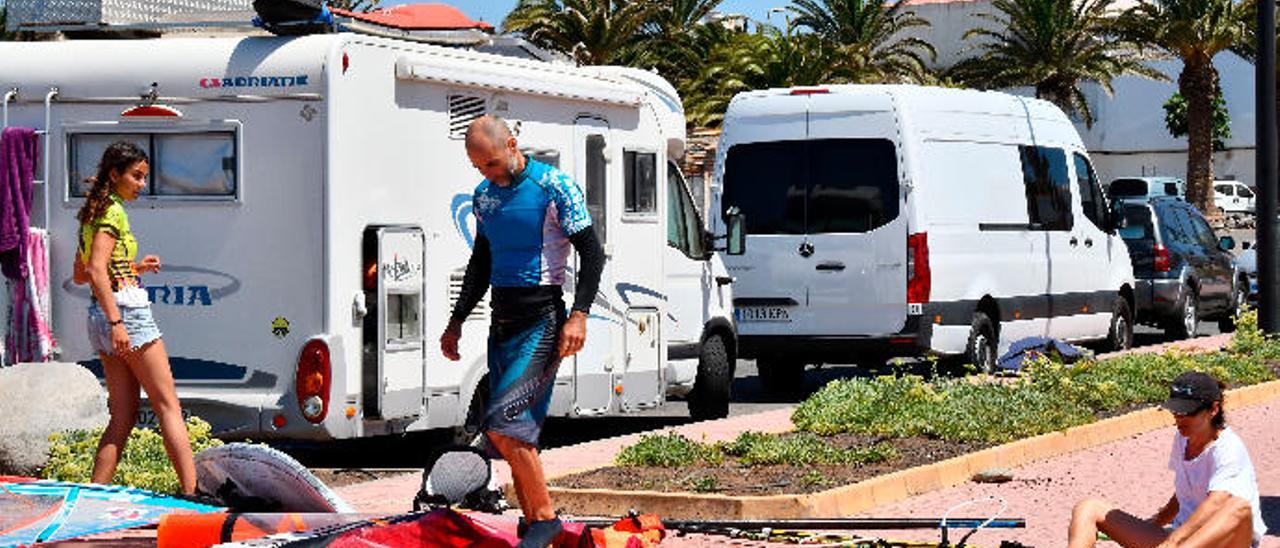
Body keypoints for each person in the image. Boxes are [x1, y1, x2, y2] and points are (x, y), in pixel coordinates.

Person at [440, 116, 606, 548]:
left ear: (513, 144)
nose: (489, 175)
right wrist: (456, 321)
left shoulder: (555, 187)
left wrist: (580, 315)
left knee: (505, 425)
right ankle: (535, 523)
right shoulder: (484, 197)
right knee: (513, 431)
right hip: (502, 321)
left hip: (543, 320)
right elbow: (481, 263)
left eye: (492, 164)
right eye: (480, 169)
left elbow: (592, 253)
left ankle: (546, 518)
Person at [73, 141, 196, 495]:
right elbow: (95, 271)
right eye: (136, 176)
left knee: (123, 416)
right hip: (124, 315)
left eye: (144, 177)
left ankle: (93, 497)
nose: (142, 184)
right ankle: (194, 495)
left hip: (98, 314)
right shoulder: (113, 212)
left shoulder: (91, 212)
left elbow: (83, 275)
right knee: (168, 405)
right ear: (115, 175)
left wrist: (134, 267)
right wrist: (117, 323)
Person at [1067, 371, 1265, 548]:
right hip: (1181, 540)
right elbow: (1184, 494)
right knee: (1088, 508)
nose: (1179, 418)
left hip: (1224, 543)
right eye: (1176, 410)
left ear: (1213, 409)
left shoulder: (1228, 449)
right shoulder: (1183, 438)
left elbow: (1215, 504)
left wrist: (1172, 541)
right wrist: (1153, 524)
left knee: (1238, 507)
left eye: (1187, 412)